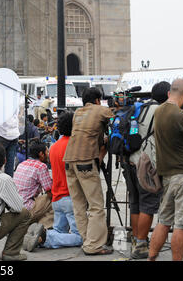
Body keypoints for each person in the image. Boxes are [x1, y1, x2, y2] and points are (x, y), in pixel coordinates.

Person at [63, 87, 115, 255]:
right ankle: (93, 245)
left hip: (69, 161)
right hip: (85, 161)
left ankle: (87, 240)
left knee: (79, 205)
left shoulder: (78, 112)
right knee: (96, 206)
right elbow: (116, 118)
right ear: (98, 100)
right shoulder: (101, 110)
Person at [148, 79, 183, 261]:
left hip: (167, 176)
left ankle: (151, 257)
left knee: (163, 221)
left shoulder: (158, 112)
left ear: (169, 93)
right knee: (181, 225)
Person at [23, 111, 83, 252]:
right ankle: (46, 237)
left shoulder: (53, 147)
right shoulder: (74, 145)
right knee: (79, 237)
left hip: (57, 198)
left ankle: (41, 237)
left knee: (59, 231)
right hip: (70, 196)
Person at [124, 82, 170, 259]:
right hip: (147, 165)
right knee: (148, 204)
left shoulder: (139, 107)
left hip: (129, 161)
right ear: (168, 94)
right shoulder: (161, 111)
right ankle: (142, 244)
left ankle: (137, 240)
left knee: (135, 202)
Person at [13, 142, 53, 227]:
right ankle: (43, 228)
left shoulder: (22, 164)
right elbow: (49, 190)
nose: (48, 154)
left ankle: (34, 225)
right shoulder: (41, 166)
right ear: (41, 154)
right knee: (55, 200)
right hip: (27, 208)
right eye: (47, 152)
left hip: (16, 207)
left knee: (43, 200)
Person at [0, 102, 20, 177]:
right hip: (14, 133)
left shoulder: (0, 101)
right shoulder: (14, 100)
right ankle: (8, 183)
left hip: (3, 134)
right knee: (10, 164)